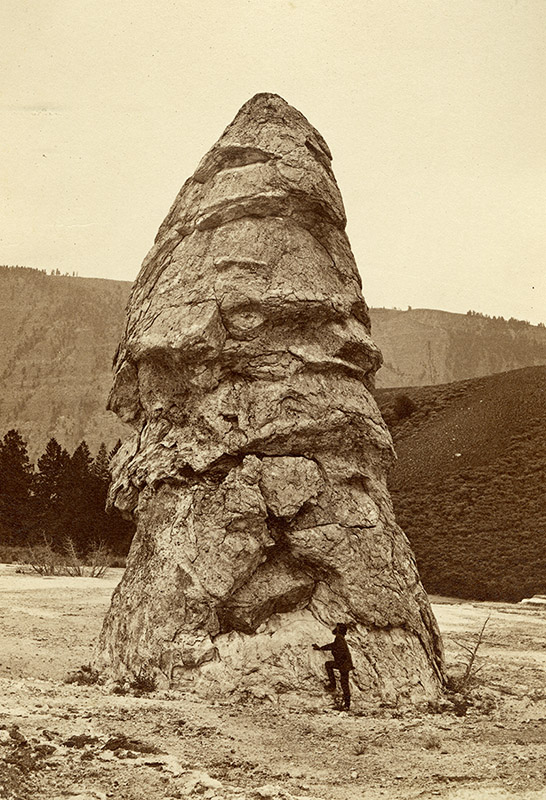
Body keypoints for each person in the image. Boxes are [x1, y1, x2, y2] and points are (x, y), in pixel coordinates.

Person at [312, 622, 354, 710]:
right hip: (345, 664)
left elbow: (335, 648)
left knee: (343, 682)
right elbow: (332, 646)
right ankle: (346, 704)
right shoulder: (340, 638)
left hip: (343, 664)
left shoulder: (339, 638)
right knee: (344, 683)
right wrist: (320, 648)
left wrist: (340, 663)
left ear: (339, 630)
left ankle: (333, 686)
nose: (335, 628)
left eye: (337, 628)